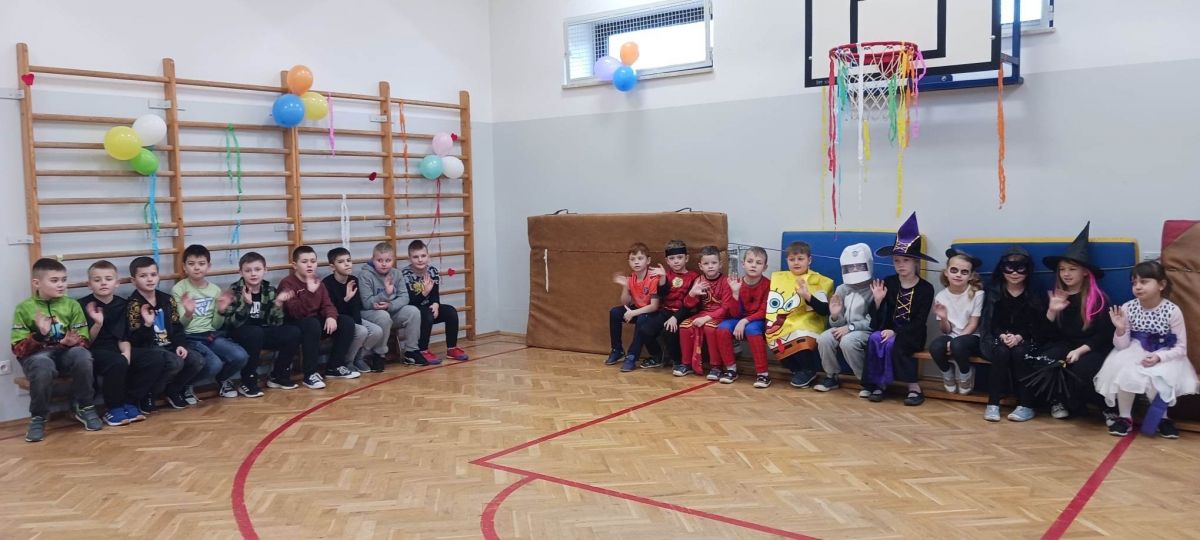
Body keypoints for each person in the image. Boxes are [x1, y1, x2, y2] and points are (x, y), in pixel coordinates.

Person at [1094, 261, 1198, 438]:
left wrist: (1159, 357)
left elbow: (1181, 348)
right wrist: (1120, 329)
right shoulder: (1128, 308)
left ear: (1161, 285)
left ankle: (1163, 418)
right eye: (1134, 283)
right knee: (1125, 371)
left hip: (1164, 353)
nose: (1138, 287)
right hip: (1133, 351)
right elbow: (1122, 346)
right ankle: (1125, 417)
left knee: (1161, 375)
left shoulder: (1172, 311)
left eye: (1144, 282)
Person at [12, 258, 101, 442]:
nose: (61, 285)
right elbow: (19, 350)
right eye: (54, 280)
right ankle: (38, 417)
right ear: (37, 283)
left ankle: (84, 407)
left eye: (64, 280)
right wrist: (40, 335)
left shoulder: (72, 305)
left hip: (65, 354)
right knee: (42, 364)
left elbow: (84, 340)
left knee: (82, 354)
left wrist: (69, 343)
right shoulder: (24, 309)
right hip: (37, 358)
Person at [1037, 223, 1115, 420]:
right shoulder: (1056, 297)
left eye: (1072, 269)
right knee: (1044, 360)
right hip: (1065, 344)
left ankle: (1106, 407)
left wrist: (1080, 351)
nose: (1066, 274)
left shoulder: (1098, 299)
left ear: (1085, 272)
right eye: (1062, 269)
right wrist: (1051, 311)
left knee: (1083, 368)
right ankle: (1057, 400)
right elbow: (1045, 336)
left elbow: (1104, 335)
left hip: (1092, 347)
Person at [78, 260, 168, 425]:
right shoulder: (83, 305)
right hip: (94, 351)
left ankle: (130, 401)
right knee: (117, 361)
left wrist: (126, 352)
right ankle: (113, 408)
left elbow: (123, 336)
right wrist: (97, 323)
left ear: (117, 282)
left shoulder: (122, 304)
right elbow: (86, 342)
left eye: (108, 279)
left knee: (155, 358)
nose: (103, 283)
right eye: (97, 280)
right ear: (89, 285)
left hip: (117, 348)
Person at [866, 212, 937, 406]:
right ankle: (879, 384)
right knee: (874, 339)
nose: (901, 265)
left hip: (912, 334)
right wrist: (878, 301)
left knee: (895, 344)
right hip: (888, 329)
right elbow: (877, 316)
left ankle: (914, 387)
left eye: (905, 260)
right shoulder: (889, 282)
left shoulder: (925, 289)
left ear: (916, 261)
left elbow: (920, 321)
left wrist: (895, 332)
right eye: (897, 260)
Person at [125, 257, 204, 410]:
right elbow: (133, 339)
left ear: (158, 276)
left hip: (169, 344)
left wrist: (180, 345)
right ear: (133, 280)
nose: (149, 279)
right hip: (149, 347)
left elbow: (177, 326)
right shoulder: (133, 305)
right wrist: (147, 324)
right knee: (174, 362)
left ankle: (172, 390)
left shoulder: (167, 300)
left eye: (153, 275)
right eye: (143, 276)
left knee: (197, 360)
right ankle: (149, 393)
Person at [172, 244, 251, 400]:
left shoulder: (215, 290)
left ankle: (223, 379)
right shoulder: (179, 289)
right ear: (184, 267)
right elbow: (181, 325)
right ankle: (185, 385)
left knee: (241, 356)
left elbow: (216, 325)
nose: (196, 268)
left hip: (211, 335)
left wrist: (221, 310)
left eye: (201, 264)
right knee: (214, 364)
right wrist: (188, 313)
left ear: (208, 266)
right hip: (190, 337)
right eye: (191, 264)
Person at [978, 246, 1045, 422]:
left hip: (1027, 339)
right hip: (999, 338)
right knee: (1001, 351)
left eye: (1020, 268)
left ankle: (1026, 405)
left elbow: (1035, 324)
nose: (1014, 273)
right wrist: (1002, 336)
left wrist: (1019, 337)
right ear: (1002, 269)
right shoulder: (995, 291)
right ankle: (993, 403)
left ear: (1027, 270)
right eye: (1009, 268)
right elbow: (992, 322)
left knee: (1020, 352)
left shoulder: (1033, 292)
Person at [221, 252, 303, 391]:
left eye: (257, 269)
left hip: (261, 333)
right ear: (241, 272)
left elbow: (275, 324)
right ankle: (248, 380)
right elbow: (230, 324)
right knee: (255, 332)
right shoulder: (234, 291)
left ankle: (278, 375)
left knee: (293, 332)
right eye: (248, 270)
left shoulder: (269, 290)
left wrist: (278, 304)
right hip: (240, 334)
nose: (253, 274)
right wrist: (247, 305)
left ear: (265, 270)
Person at [280, 246, 358, 388]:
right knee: (312, 324)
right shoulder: (288, 283)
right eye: (304, 262)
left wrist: (331, 317)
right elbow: (296, 312)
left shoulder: (318, 283)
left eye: (313, 261)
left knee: (346, 321)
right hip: (296, 324)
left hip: (314, 323)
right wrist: (310, 292)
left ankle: (334, 367)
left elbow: (328, 304)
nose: (309, 265)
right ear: (295, 265)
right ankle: (310, 374)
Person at [765, 241, 834, 388]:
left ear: (809, 260)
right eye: (792, 259)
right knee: (771, 332)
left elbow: (823, 310)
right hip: (783, 320)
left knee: (798, 330)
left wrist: (807, 295)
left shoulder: (818, 280)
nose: (796, 263)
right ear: (787, 261)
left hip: (809, 321)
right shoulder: (780, 278)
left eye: (800, 259)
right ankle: (797, 370)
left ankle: (809, 369)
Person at [815, 244, 875, 396]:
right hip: (845, 329)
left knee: (848, 341)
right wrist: (835, 316)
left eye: (859, 266)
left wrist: (851, 327)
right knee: (824, 338)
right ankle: (832, 376)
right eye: (851, 267)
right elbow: (838, 324)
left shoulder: (874, 289)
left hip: (865, 331)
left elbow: (873, 322)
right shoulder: (842, 289)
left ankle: (867, 380)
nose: (855, 270)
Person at [402, 240, 469, 364]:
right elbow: (409, 301)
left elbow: (435, 294)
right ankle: (423, 350)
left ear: (428, 257)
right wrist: (424, 292)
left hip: (428, 306)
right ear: (409, 259)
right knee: (427, 313)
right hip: (413, 309)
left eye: (423, 256)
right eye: (415, 257)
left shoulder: (432, 271)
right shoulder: (405, 274)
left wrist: (436, 304)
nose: (420, 260)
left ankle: (451, 348)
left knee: (451, 311)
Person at [712, 247, 771, 386]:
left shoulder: (768, 285)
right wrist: (735, 294)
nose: (753, 265)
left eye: (758, 262)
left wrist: (745, 321)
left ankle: (763, 374)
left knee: (751, 329)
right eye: (750, 261)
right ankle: (730, 369)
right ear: (743, 264)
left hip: (757, 320)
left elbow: (764, 311)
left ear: (764, 267)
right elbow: (734, 313)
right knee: (722, 328)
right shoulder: (735, 283)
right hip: (739, 319)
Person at [930, 248, 985, 396]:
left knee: (958, 345)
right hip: (952, 336)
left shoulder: (977, 294)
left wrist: (955, 341)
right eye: (954, 270)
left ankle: (966, 375)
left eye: (964, 272)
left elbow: (973, 324)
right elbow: (946, 331)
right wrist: (943, 317)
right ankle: (948, 373)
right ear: (946, 272)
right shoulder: (941, 296)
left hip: (972, 337)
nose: (958, 275)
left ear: (970, 276)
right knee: (935, 347)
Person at [359, 242, 423, 365]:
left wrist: (390, 305)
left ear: (393, 260)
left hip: (390, 310)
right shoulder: (365, 275)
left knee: (413, 311)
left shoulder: (396, 274)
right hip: (371, 313)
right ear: (373, 260)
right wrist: (386, 294)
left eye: (388, 260)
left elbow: (404, 297)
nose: (384, 264)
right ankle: (379, 355)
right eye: (380, 260)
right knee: (383, 316)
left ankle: (411, 351)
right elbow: (366, 303)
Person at [324, 247, 385, 373]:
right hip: (338, 321)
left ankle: (359, 358)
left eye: (349, 260)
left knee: (377, 331)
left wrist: (358, 322)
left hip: (353, 318)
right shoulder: (327, 284)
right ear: (332, 267)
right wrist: (346, 298)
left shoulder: (354, 281)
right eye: (341, 262)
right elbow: (332, 310)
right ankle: (348, 362)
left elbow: (356, 308)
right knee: (361, 331)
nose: (347, 264)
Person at [679, 245, 736, 377]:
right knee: (684, 326)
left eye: (714, 263)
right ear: (700, 266)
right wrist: (692, 293)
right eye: (706, 263)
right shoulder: (699, 281)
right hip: (704, 314)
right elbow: (688, 304)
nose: (710, 266)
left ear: (720, 264)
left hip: (721, 316)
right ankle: (686, 364)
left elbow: (725, 308)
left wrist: (706, 318)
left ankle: (716, 366)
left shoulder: (726, 281)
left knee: (710, 327)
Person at [606, 243, 661, 372]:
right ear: (629, 262)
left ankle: (632, 356)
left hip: (653, 314)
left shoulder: (653, 278)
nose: (636, 262)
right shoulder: (631, 278)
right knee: (615, 312)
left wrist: (633, 313)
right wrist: (625, 286)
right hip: (638, 310)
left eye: (640, 258)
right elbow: (626, 302)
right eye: (633, 259)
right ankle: (617, 350)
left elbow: (654, 306)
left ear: (648, 260)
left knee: (642, 318)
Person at [653, 240, 698, 374]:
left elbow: (690, 304)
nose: (676, 261)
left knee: (669, 330)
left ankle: (678, 361)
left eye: (679, 257)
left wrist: (675, 317)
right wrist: (662, 279)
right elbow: (661, 294)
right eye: (672, 258)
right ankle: (656, 357)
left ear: (686, 258)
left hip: (684, 312)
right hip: (667, 311)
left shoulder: (694, 277)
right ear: (667, 260)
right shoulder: (666, 275)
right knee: (645, 328)